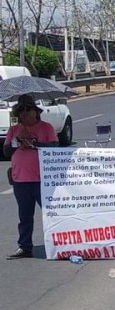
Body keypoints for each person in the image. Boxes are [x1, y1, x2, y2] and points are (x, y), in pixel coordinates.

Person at [4, 95, 58, 259]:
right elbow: (6, 152)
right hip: (21, 180)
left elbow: (55, 147)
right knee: (25, 216)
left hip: (42, 179)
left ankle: (59, 244)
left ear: (36, 112)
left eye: (28, 110)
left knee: (51, 213)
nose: (25, 114)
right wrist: (18, 141)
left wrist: (36, 145)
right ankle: (25, 246)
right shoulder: (14, 130)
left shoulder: (46, 128)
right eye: (21, 111)